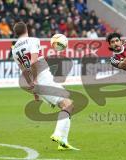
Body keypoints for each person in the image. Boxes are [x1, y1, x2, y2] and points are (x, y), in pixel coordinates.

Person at [11, 22, 79, 150]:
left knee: (66, 105)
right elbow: (34, 61)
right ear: (27, 29)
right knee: (68, 104)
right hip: (43, 78)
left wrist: (34, 89)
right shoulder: (33, 40)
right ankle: (58, 134)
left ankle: (63, 143)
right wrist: (36, 79)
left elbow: (24, 70)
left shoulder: (14, 49)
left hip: (37, 83)